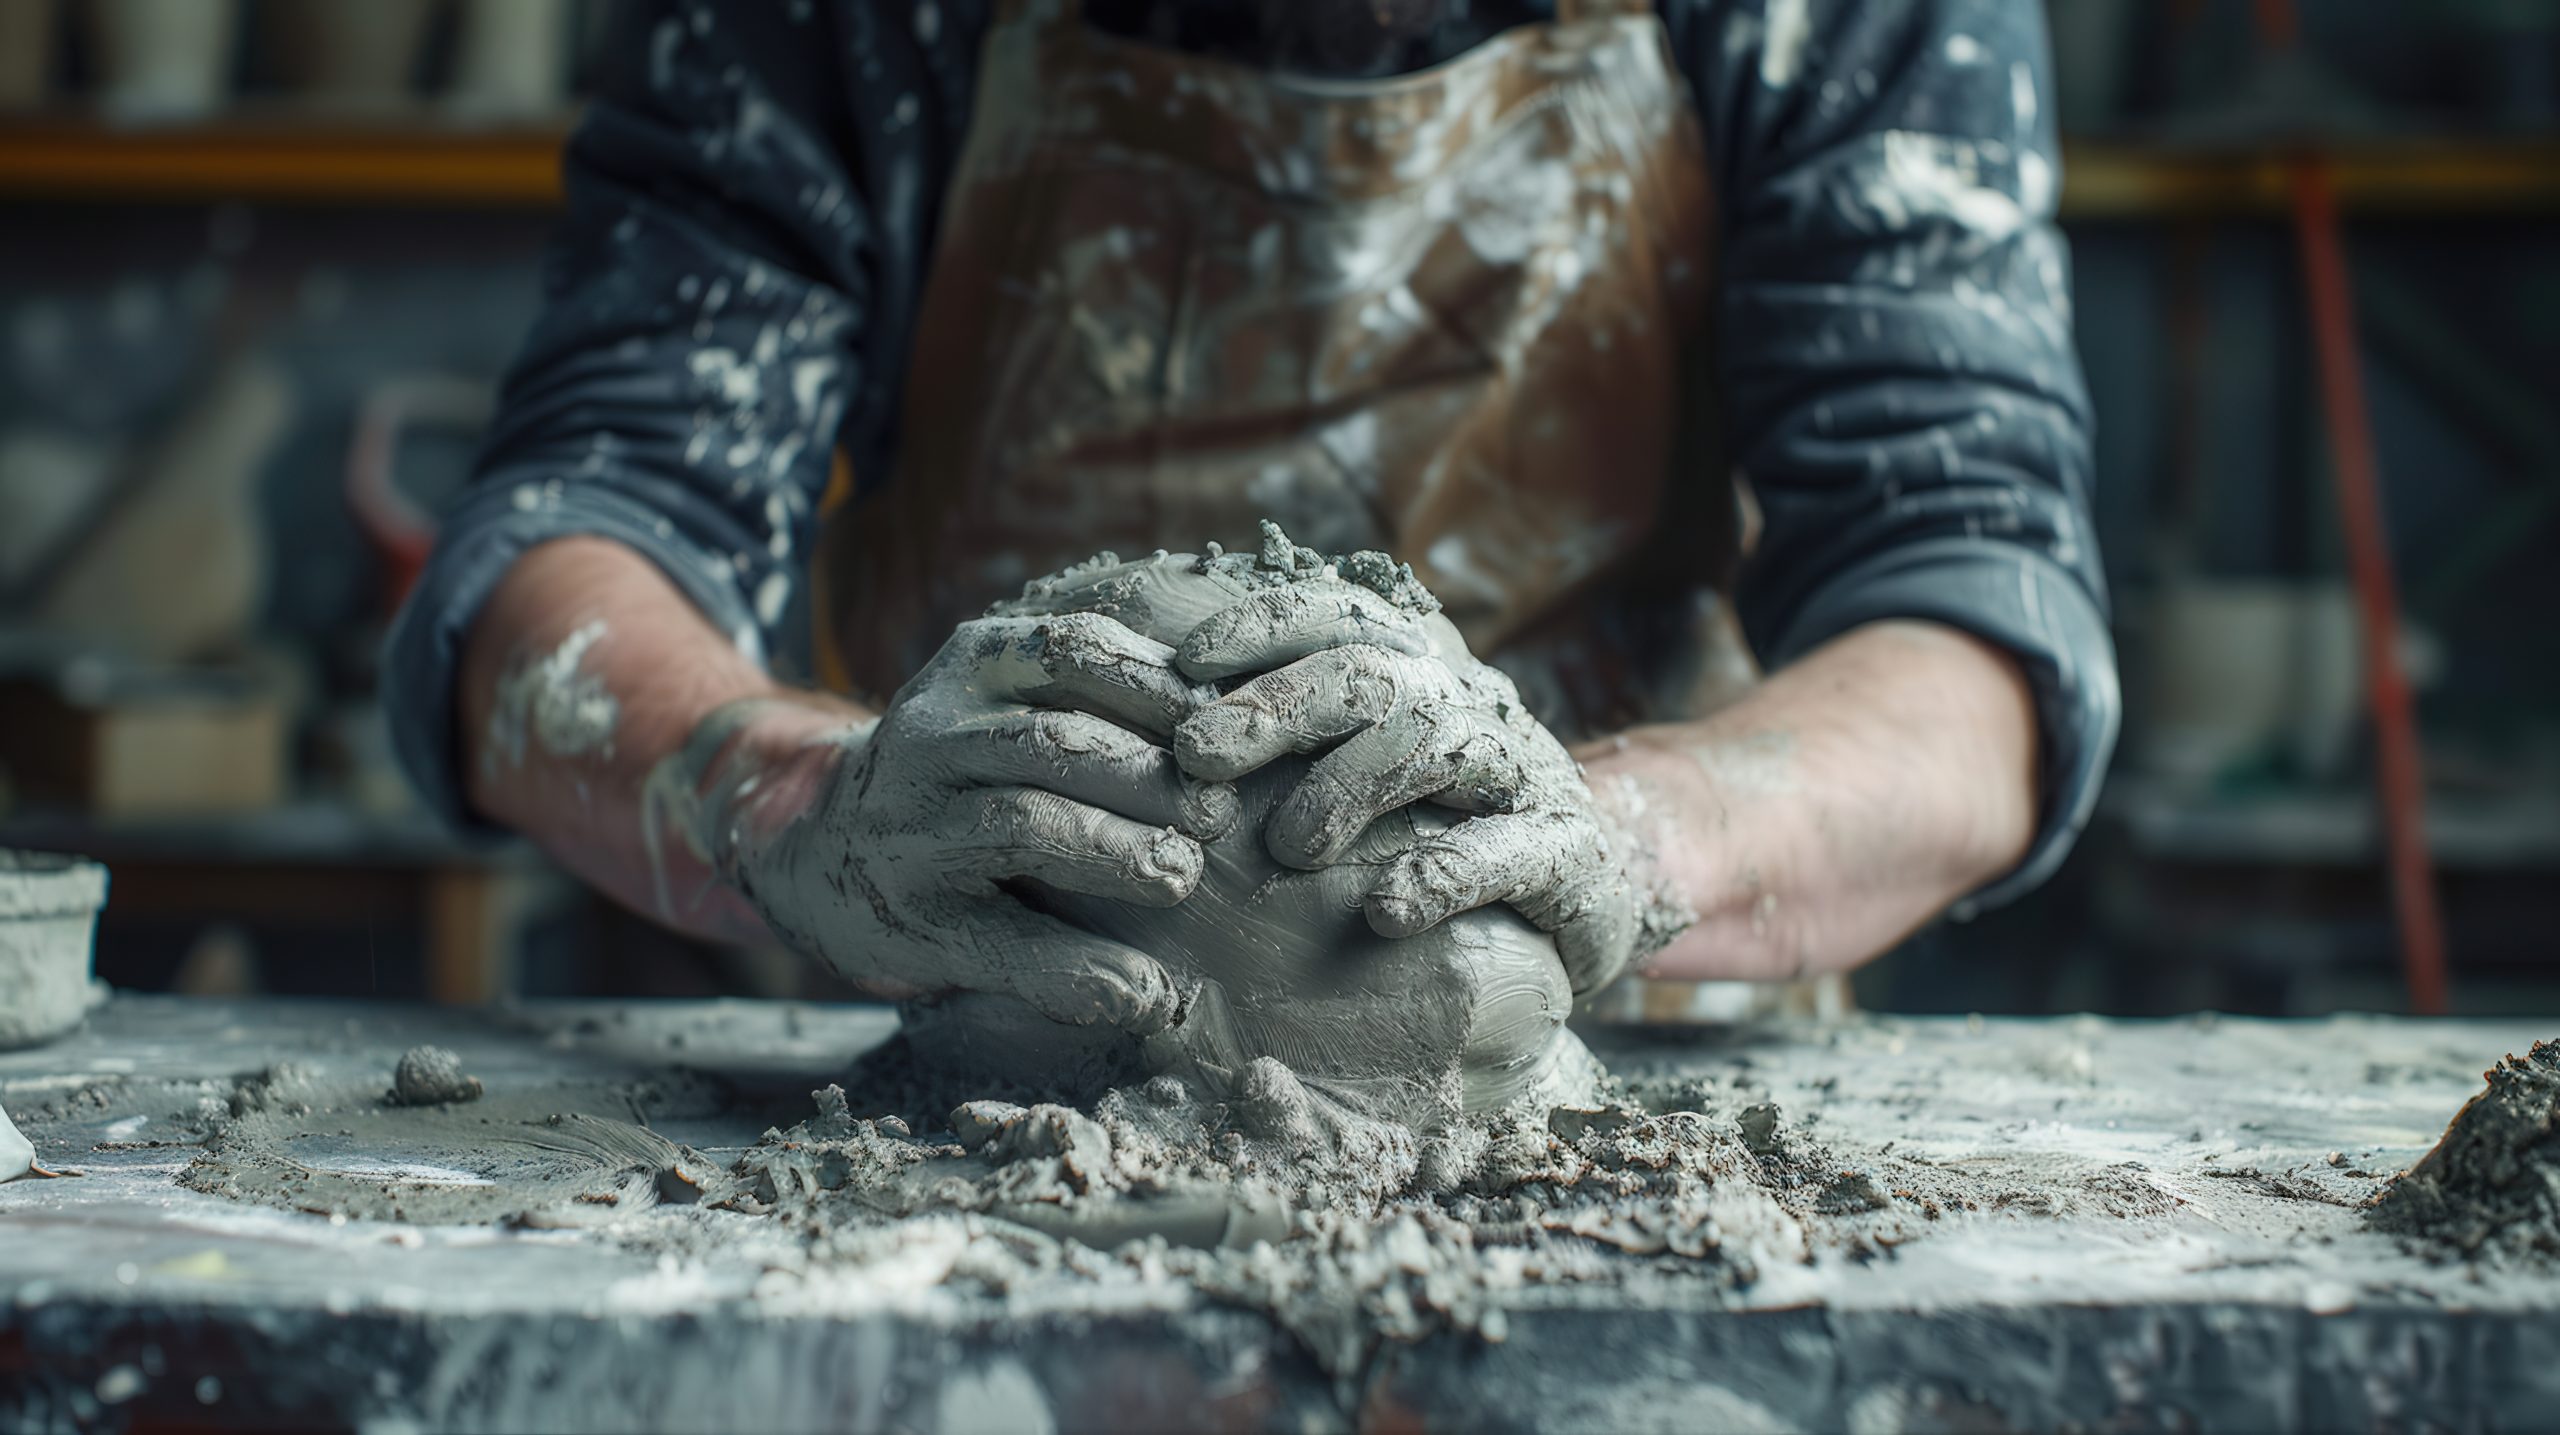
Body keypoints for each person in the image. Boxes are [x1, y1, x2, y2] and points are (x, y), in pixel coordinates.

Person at [386, 0, 2117, 1033]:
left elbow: (1975, 636)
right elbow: (571, 540)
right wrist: (786, 803)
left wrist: (1638, 841)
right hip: (981, 1032)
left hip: (1635, 1055)